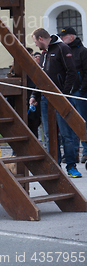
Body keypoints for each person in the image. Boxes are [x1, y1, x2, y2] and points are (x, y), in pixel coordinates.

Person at [30, 28, 81, 178]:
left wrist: (63, 95)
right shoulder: (44, 53)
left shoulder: (62, 48)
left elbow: (72, 72)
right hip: (46, 99)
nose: (35, 45)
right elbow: (41, 77)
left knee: (66, 134)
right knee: (48, 134)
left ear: (40, 38)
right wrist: (34, 95)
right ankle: (55, 165)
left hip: (61, 98)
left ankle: (71, 166)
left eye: (35, 41)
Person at [59, 26, 87, 164]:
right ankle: (73, 153)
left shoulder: (83, 51)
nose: (62, 39)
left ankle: (86, 152)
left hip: (80, 93)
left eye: (64, 36)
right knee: (72, 123)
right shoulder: (65, 51)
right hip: (69, 92)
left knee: (83, 122)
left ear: (72, 36)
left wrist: (82, 89)